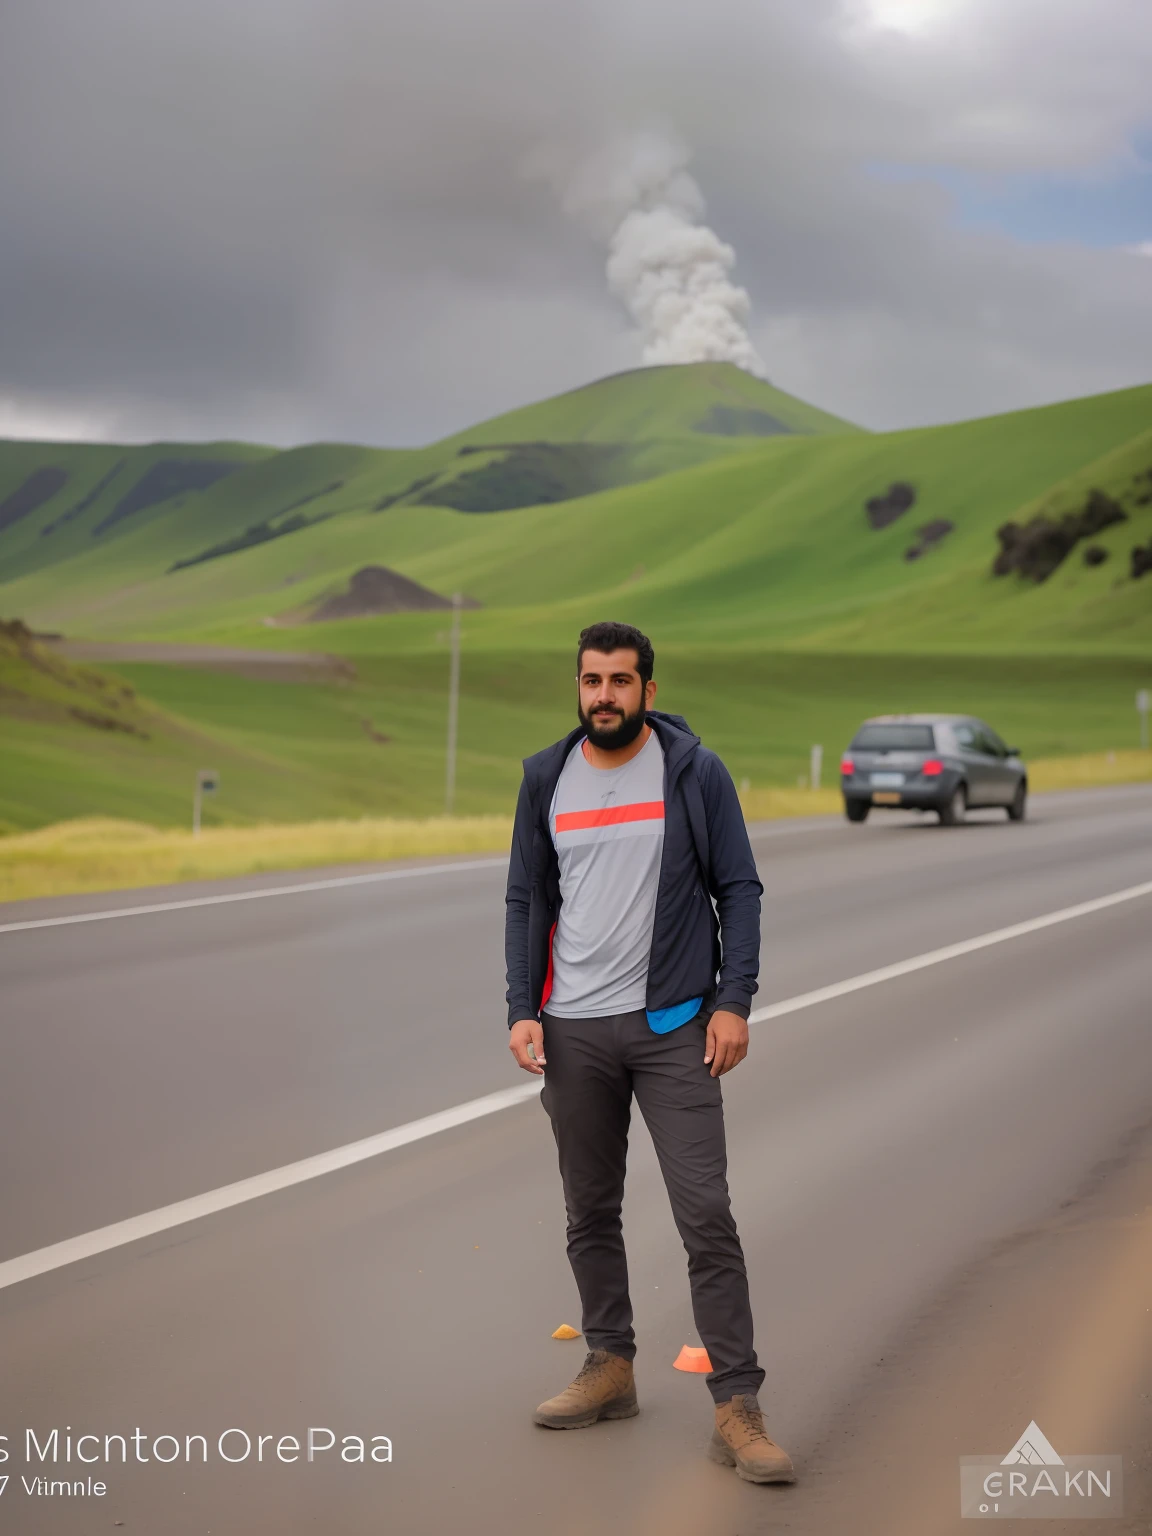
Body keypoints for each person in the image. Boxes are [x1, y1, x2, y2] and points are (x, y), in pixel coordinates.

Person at [504, 619, 794, 1485]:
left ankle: (737, 1405)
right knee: (588, 1212)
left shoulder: (691, 772)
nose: (604, 696)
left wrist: (733, 1001)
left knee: (706, 1213)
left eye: (620, 682)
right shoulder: (544, 778)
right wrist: (523, 1009)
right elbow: (527, 896)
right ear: (579, 687)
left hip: (672, 1027)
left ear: (648, 692)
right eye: (591, 681)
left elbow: (738, 887)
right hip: (572, 1028)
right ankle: (610, 1366)